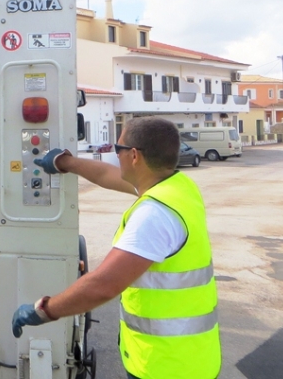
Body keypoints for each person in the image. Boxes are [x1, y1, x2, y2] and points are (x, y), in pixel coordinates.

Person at [11, 116, 221, 379]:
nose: (115, 155)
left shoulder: (153, 216)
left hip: (166, 366)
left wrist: (43, 310)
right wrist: (63, 162)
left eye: (117, 150)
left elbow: (104, 285)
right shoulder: (178, 187)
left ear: (134, 156)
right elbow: (107, 175)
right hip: (191, 357)